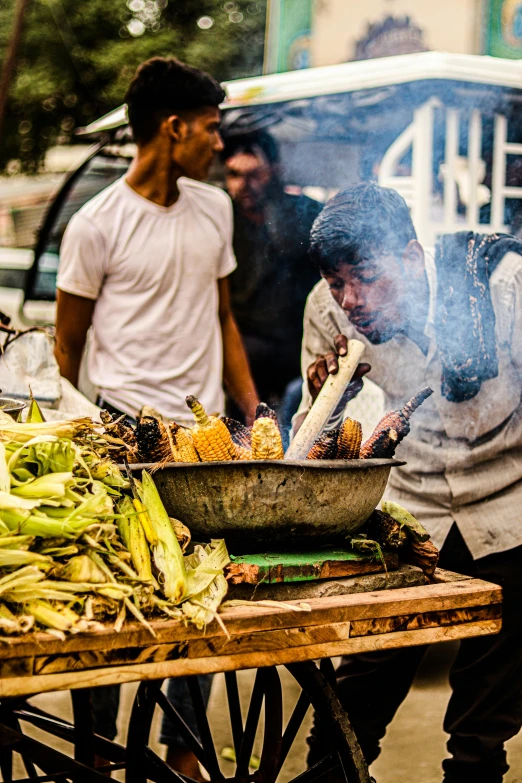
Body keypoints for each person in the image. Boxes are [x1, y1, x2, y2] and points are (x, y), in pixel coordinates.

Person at [55, 56, 258, 780]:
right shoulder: (96, 225)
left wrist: (254, 410)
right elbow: (67, 345)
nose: (219, 144)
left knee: (200, 591)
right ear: (172, 128)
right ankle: (96, 756)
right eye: (210, 128)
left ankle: (180, 751)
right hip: (119, 436)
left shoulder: (215, 209)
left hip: (199, 438)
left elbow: (224, 316)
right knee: (118, 607)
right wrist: (75, 441)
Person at [295, 182, 522, 783]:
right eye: (338, 281)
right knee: (357, 697)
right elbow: (310, 451)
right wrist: (328, 405)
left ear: (413, 257)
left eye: (366, 276)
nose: (353, 299)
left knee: (482, 725)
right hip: (410, 506)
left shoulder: (504, 288)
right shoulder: (326, 311)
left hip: (510, 507)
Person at [222, 131, 321, 428]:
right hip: (244, 352)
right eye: (235, 175)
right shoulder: (221, 219)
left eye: (255, 175)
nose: (245, 185)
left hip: (297, 349)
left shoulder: (305, 213)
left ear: (274, 171)